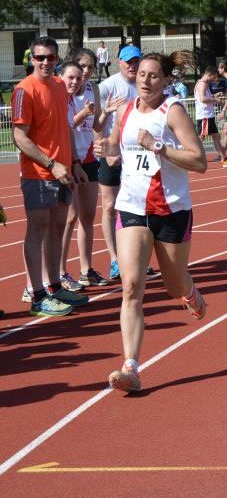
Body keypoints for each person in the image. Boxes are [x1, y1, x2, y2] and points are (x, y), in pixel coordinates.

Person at [94, 52, 208, 393]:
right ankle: (131, 366)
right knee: (131, 286)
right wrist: (105, 148)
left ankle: (189, 291)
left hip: (170, 209)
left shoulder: (173, 111)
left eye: (153, 75)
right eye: (142, 74)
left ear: (166, 80)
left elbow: (199, 161)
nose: (145, 80)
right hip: (131, 207)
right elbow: (116, 150)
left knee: (173, 286)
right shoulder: (126, 110)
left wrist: (158, 146)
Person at [11, 36, 91, 317]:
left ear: (57, 59)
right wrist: (51, 163)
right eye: (40, 57)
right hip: (39, 173)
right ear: (31, 59)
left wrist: (75, 162)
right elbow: (19, 137)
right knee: (38, 230)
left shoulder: (59, 86)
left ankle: (55, 286)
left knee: (57, 228)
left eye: (51, 57)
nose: (45, 62)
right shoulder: (24, 90)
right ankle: (37, 295)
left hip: (64, 171)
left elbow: (66, 127)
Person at [58, 51, 110, 289]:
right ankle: (60, 272)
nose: (86, 72)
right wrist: (85, 112)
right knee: (69, 218)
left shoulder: (93, 89)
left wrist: (106, 113)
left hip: (88, 156)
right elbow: (68, 125)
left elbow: (96, 124)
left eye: (90, 67)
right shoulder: (63, 91)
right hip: (69, 158)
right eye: (82, 67)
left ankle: (86, 270)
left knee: (88, 216)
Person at [97, 45, 142, 280]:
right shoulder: (107, 86)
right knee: (109, 206)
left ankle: (134, 257)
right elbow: (95, 122)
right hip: (111, 154)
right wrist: (105, 151)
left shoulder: (143, 84)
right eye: (128, 61)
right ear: (119, 63)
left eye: (136, 61)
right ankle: (115, 260)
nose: (132, 66)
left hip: (135, 154)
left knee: (136, 206)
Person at [194, 65, 227, 164]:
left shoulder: (204, 84)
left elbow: (205, 97)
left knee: (215, 136)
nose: (214, 80)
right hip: (204, 115)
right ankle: (190, 155)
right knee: (201, 137)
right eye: (213, 77)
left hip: (208, 115)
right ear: (209, 74)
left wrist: (214, 95)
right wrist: (215, 100)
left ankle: (224, 158)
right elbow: (202, 99)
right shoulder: (202, 84)